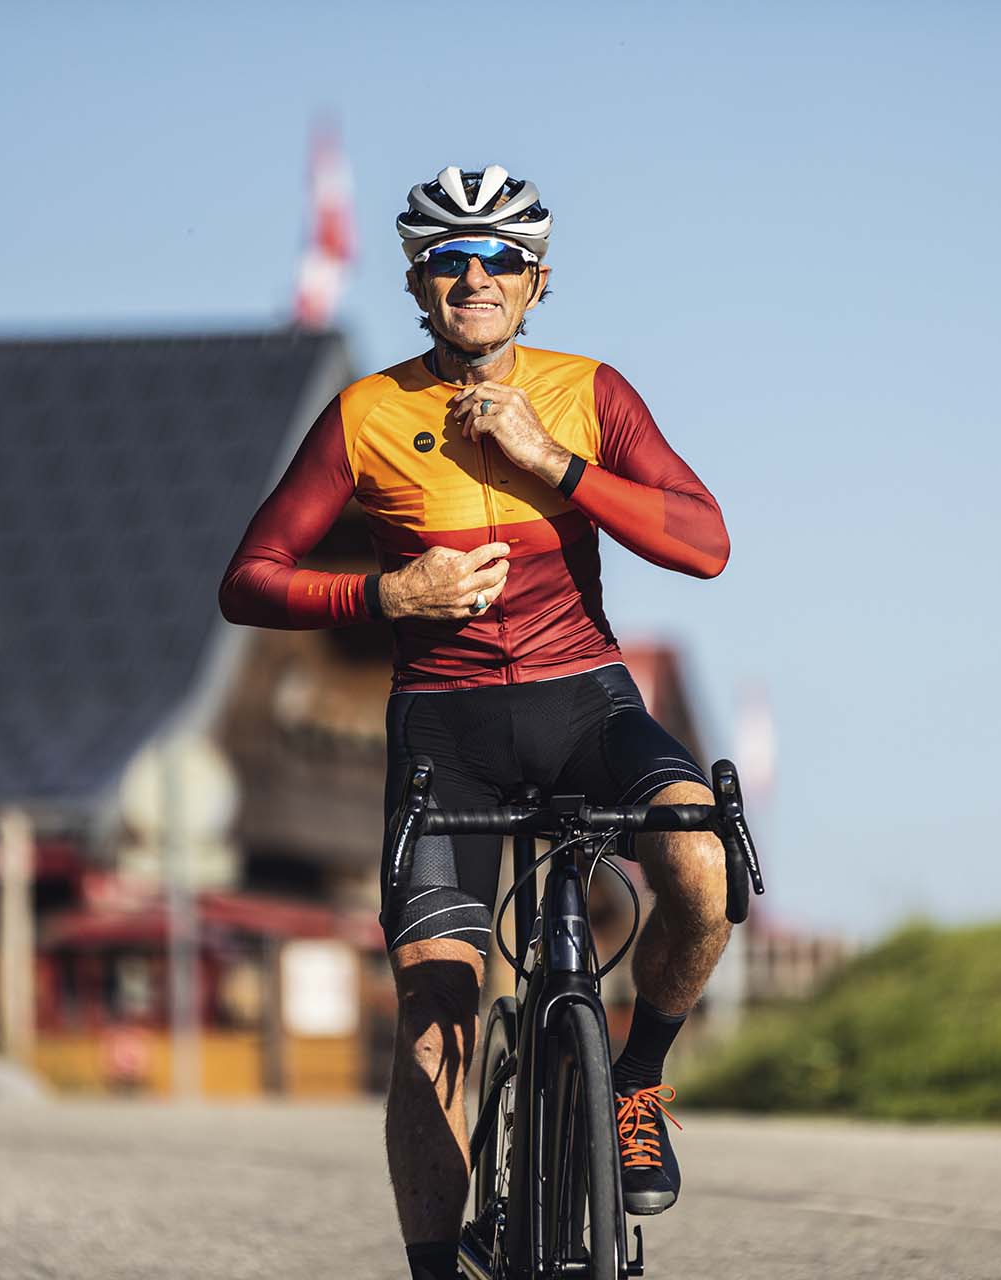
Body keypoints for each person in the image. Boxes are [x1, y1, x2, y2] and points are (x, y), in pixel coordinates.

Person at [218, 164, 734, 1280]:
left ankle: (637, 1075)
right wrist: (382, 595)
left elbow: (705, 542)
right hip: (444, 731)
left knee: (699, 857)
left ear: (536, 281)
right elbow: (248, 578)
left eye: (498, 258)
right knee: (438, 1021)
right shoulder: (365, 412)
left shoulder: (590, 391)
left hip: (581, 700)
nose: (473, 276)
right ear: (415, 279)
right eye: (448, 259)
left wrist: (557, 465)